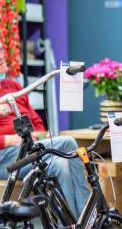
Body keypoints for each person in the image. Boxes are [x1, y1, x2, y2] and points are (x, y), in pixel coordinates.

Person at [0, 78, 90, 217]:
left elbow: (35, 121)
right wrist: (6, 140)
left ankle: (71, 227)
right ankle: (88, 215)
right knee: (68, 143)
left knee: (61, 164)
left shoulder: (12, 86)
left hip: (24, 148)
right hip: (4, 156)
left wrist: (39, 134)